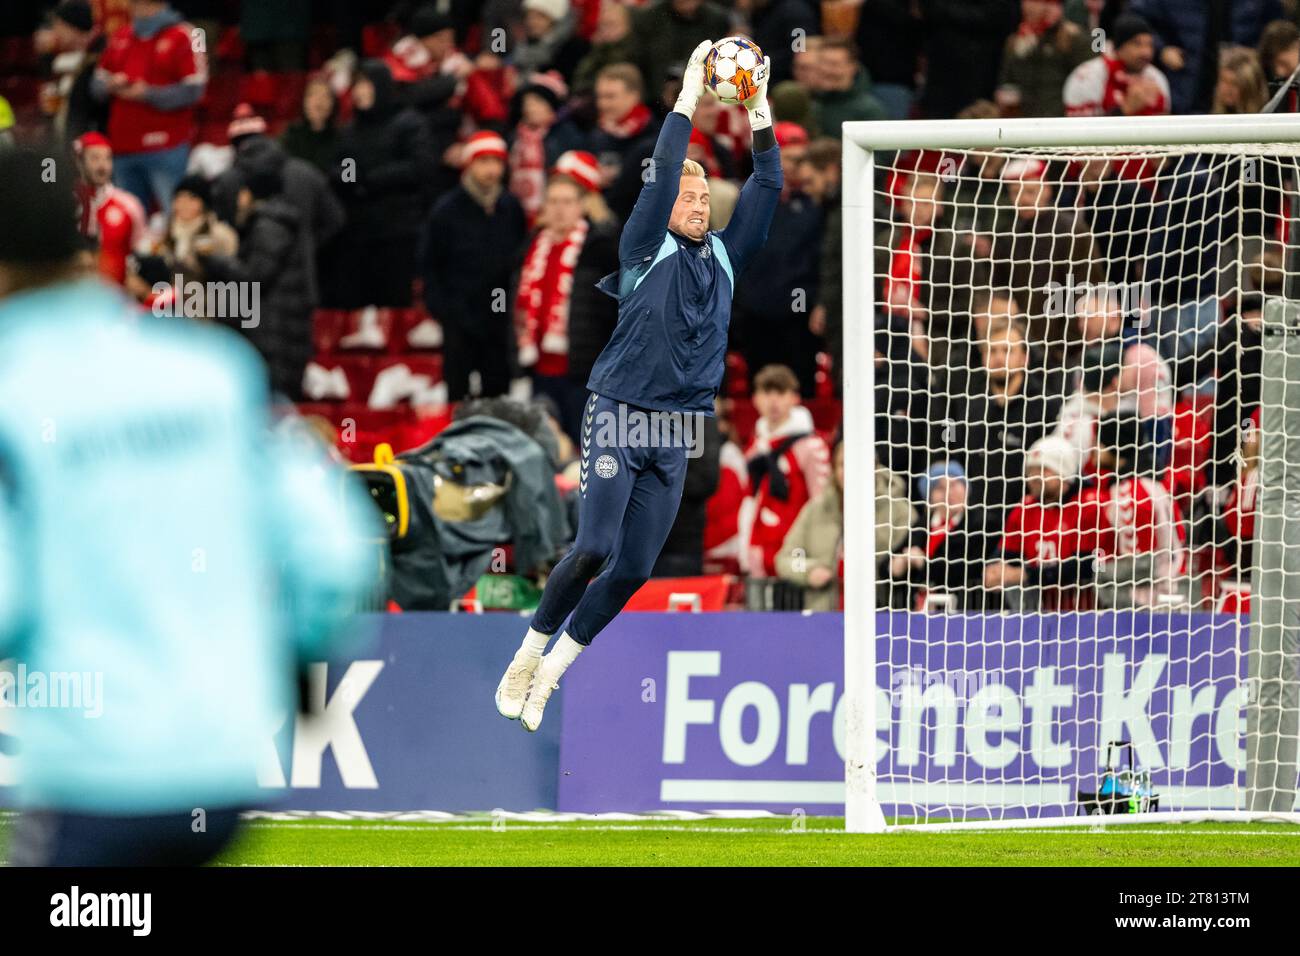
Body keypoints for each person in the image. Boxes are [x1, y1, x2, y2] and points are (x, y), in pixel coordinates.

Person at [0, 147, 380, 865]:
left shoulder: (13, 391)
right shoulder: (208, 367)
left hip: (93, 771)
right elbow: (332, 549)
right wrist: (299, 668)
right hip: (222, 762)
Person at [494, 40, 781, 731]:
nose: (699, 201)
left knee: (632, 569)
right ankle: (525, 655)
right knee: (593, 546)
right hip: (619, 411)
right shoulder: (642, 248)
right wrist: (688, 96)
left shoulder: (725, 255)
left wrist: (759, 107)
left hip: (678, 428)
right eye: (688, 193)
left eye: (707, 195)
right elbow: (657, 180)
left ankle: (553, 672)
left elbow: (768, 184)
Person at [419, 130, 529, 402]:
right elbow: (430, 264)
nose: (492, 169)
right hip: (459, 319)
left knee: (498, 396)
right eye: (484, 161)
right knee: (457, 395)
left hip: (499, 321)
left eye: (497, 162)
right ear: (470, 164)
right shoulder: (446, 209)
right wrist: (445, 311)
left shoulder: (511, 207)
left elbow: (519, 259)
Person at [517, 153, 619, 440]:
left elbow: (614, 311)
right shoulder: (529, 249)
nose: (560, 210)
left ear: (582, 206)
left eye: (567, 202)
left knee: (585, 450)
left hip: (583, 373)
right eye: (553, 202)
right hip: (538, 372)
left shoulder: (599, 248)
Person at [91, 0, 207, 216]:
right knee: (125, 223)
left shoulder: (188, 34)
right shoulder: (120, 36)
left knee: (177, 219)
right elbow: (95, 86)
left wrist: (148, 94)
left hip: (166, 146)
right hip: (123, 146)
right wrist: (111, 85)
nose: (137, 9)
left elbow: (195, 90)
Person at [776, 440, 913, 611]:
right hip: (823, 618)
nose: (851, 472)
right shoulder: (816, 510)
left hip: (881, 618)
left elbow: (910, 562)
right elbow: (787, 558)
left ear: (875, 469)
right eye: (843, 465)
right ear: (834, 470)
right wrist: (808, 570)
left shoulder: (899, 512)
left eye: (858, 464)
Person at [738, 364, 832, 577]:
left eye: (780, 393)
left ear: (794, 398)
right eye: (766, 393)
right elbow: (749, 499)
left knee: (796, 608)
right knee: (759, 608)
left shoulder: (811, 445)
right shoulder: (756, 445)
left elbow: (822, 503)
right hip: (760, 548)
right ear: (755, 399)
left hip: (797, 551)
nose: (773, 401)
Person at [72, 131, 148, 285]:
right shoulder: (66, 204)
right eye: (95, 158)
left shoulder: (128, 204)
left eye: (107, 158)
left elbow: (140, 249)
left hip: (116, 294)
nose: (103, 166)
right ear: (79, 162)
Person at [1063, 13, 1171, 117]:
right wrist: (1125, 109)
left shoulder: (1156, 77)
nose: (1146, 52)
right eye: (1137, 44)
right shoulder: (1088, 75)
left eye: (1149, 45)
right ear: (1119, 47)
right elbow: (1080, 129)